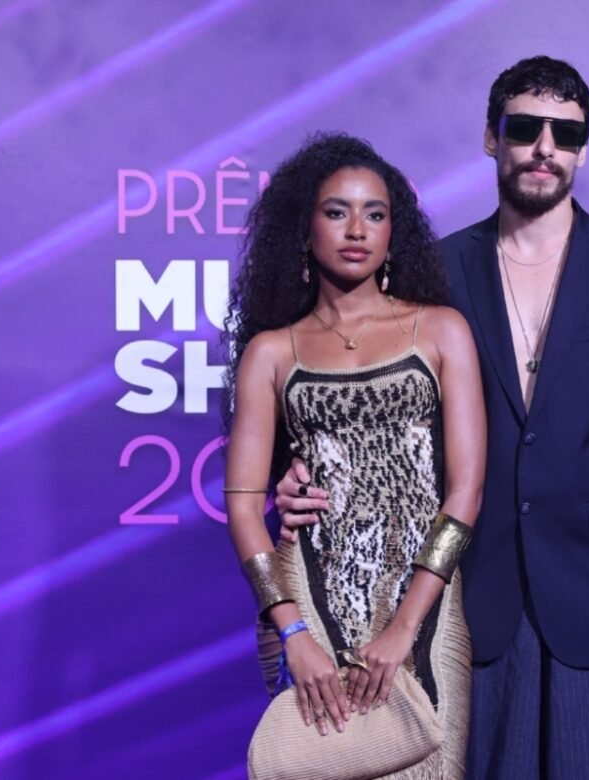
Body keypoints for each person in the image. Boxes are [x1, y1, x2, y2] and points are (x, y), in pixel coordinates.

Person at [275, 57, 589, 778]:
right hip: (470, 593)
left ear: (583, 150)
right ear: (491, 138)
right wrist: (303, 473)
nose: (544, 148)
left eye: (565, 134)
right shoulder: (435, 271)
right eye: (525, 128)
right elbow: (375, 402)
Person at [221, 133, 485, 778]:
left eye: (375, 213)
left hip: (424, 603)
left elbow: (465, 492)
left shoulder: (441, 330)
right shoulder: (271, 352)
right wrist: (292, 631)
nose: (357, 230)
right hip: (308, 603)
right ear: (304, 228)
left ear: (395, 232)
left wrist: (404, 628)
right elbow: (243, 505)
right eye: (337, 212)